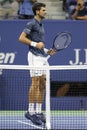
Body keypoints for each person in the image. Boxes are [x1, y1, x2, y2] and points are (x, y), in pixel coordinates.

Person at [18, 2, 56, 125]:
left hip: (42, 57)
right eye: (43, 10)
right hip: (34, 57)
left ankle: (38, 112)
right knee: (35, 83)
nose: (45, 12)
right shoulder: (31, 23)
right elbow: (21, 38)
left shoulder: (41, 25)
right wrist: (35, 44)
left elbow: (40, 44)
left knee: (42, 84)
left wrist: (46, 50)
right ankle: (30, 111)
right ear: (37, 11)